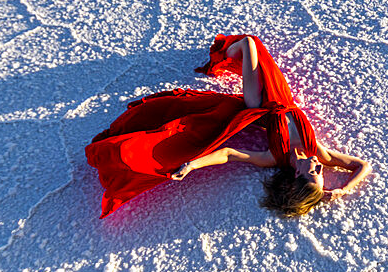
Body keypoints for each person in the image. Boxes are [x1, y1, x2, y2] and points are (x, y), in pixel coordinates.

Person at [86, 34, 370, 218]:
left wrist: (192, 165)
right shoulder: (317, 152)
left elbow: (229, 153)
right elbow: (362, 166)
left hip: (258, 102)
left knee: (249, 44)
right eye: (320, 173)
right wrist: (343, 190)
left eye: (314, 175)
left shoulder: (275, 157)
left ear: (296, 175)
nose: (320, 168)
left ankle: (224, 57)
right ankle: (228, 56)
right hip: (283, 95)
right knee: (250, 44)